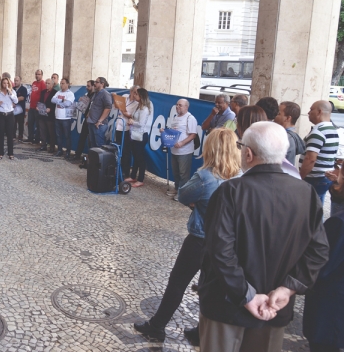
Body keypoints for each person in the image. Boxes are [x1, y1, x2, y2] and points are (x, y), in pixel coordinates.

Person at [198, 121, 330, 352]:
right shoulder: (306, 193)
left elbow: (220, 251)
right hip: (274, 306)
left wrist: (247, 296)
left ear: (248, 153)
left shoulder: (231, 191)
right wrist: (287, 289)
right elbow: (318, 250)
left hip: (227, 308)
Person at [134, 129, 241, 342]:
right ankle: (203, 331)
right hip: (228, 243)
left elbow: (183, 194)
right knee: (211, 288)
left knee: (178, 282)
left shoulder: (205, 176)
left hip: (200, 239)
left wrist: (196, 203)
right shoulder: (241, 177)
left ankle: (157, 327)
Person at [303, 165, 344, 352]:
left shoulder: (338, 224)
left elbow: (319, 266)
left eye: (341, 174)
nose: (337, 178)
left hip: (331, 313)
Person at [299, 100, 339, 203]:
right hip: (324, 178)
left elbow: (310, 159)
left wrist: (300, 177)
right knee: (317, 206)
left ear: (319, 112)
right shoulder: (332, 129)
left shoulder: (318, 132)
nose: (308, 113)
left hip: (314, 178)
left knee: (311, 209)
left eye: (311, 110)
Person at [162, 99, 198, 199]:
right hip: (174, 150)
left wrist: (182, 143)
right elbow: (174, 132)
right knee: (176, 172)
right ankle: (177, 188)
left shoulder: (190, 118)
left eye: (180, 105)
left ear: (186, 107)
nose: (178, 107)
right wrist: (165, 132)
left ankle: (182, 194)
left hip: (184, 151)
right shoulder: (175, 117)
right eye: (177, 105)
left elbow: (193, 135)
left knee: (183, 173)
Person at [126, 88, 152, 187]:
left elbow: (141, 124)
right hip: (134, 134)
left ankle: (140, 179)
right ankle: (133, 176)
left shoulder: (144, 109)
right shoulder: (138, 106)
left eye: (136, 94)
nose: (134, 95)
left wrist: (133, 122)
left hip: (141, 135)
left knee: (140, 157)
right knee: (135, 156)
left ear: (141, 96)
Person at [114, 86, 139, 176]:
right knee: (118, 148)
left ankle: (125, 172)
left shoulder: (137, 104)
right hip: (118, 125)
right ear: (131, 91)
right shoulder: (124, 96)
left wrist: (125, 113)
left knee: (126, 151)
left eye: (137, 93)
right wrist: (115, 99)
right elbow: (116, 106)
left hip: (127, 128)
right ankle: (117, 169)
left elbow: (134, 117)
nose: (136, 94)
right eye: (135, 92)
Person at [0, 77, 18, 159]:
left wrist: (10, 92)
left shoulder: (12, 92)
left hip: (10, 115)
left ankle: (11, 153)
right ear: (1, 84)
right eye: (4, 83)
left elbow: (16, 101)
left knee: (10, 135)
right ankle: (1, 153)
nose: (5, 85)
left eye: (7, 83)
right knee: (1, 134)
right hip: (1, 115)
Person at [274, 101, 305, 165]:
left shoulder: (287, 138)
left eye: (278, 113)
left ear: (288, 118)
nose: (275, 116)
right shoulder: (288, 136)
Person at [52, 78, 75, 158]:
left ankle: (68, 151)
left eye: (63, 83)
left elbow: (68, 103)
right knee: (58, 135)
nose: (61, 85)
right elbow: (53, 100)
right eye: (61, 83)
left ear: (67, 84)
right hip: (57, 117)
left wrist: (59, 101)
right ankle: (59, 150)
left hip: (66, 119)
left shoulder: (70, 94)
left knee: (67, 136)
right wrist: (62, 100)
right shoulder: (58, 92)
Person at [72, 80, 96, 161]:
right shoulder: (87, 94)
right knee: (82, 137)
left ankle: (91, 158)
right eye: (86, 86)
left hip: (93, 120)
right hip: (86, 119)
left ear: (93, 86)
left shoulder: (95, 95)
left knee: (91, 140)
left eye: (88, 86)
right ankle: (77, 155)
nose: (87, 88)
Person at [87, 77, 112, 148]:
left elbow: (108, 108)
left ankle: (99, 159)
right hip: (91, 122)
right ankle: (93, 159)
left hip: (99, 124)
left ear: (102, 84)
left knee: (99, 145)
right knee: (92, 144)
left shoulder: (105, 94)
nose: (94, 83)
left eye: (96, 82)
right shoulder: (96, 93)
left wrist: (99, 121)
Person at [37, 79, 57, 153]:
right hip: (42, 114)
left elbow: (56, 104)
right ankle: (43, 145)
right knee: (42, 131)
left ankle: (52, 147)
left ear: (52, 84)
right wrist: (38, 107)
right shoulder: (43, 92)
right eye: (46, 83)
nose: (47, 84)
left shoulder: (55, 92)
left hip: (50, 115)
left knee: (51, 132)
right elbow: (41, 102)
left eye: (49, 83)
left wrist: (51, 109)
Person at [27, 70, 46, 144]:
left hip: (38, 108)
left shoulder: (43, 84)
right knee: (30, 123)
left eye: (39, 74)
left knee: (38, 125)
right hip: (31, 106)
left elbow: (43, 96)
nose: (37, 75)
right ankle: (30, 137)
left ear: (41, 75)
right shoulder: (34, 83)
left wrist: (40, 107)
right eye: (36, 74)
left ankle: (37, 139)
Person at [13, 76, 28, 142]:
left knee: (20, 123)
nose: (15, 82)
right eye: (15, 80)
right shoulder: (12, 89)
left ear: (20, 81)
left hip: (20, 109)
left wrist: (14, 100)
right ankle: (13, 135)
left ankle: (20, 136)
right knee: (13, 123)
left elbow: (22, 97)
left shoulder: (23, 89)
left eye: (17, 80)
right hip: (13, 109)